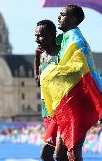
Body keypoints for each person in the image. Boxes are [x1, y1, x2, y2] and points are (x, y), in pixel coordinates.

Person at [40, 4, 102, 161]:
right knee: (61, 154)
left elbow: (90, 71)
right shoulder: (65, 39)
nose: (59, 17)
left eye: (63, 14)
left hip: (78, 103)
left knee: (72, 151)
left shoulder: (77, 42)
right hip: (68, 105)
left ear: (73, 19)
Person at [35, 19, 68, 161]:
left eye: (41, 35)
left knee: (46, 153)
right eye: (35, 35)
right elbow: (38, 81)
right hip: (46, 110)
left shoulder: (62, 53)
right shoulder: (43, 56)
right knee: (62, 155)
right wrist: (36, 58)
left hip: (60, 110)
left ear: (53, 34)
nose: (37, 39)